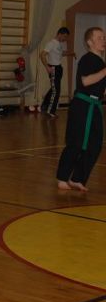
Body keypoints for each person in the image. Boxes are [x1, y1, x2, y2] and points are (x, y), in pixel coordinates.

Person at [56, 27, 106, 191]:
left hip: (95, 106)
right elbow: (86, 81)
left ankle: (77, 178)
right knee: (76, 142)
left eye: (104, 37)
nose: (103, 40)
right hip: (82, 106)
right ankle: (62, 177)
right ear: (89, 42)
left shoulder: (101, 62)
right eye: (99, 38)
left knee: (95, 145)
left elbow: (101, 89)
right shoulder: (87, 59)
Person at [40, 27, 76, 117]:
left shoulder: (59, 44)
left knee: (54, 89)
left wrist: (71, 53)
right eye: (64, 36)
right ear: (59, 34)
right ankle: (50, 111)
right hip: (53, 68)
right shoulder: (51, 43)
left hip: (59, 68)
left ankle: (44, 105)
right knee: (56, 91)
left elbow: (61, 54)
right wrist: (47, 67)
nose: (65, 39)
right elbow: (42, 55)